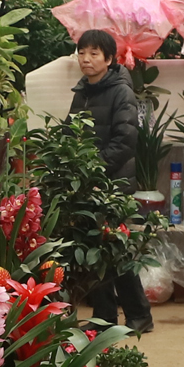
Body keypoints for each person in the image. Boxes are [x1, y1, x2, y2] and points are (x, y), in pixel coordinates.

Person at [64, 27, 153, 334]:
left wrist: (94, 171)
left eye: (94, 53)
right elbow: (70, 134)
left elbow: (125, 141)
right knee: (94, 251)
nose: (86, 59)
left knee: (115, 251)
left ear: (109, 59)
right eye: (81, 53)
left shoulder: (121, 91)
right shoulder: (82, 92)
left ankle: (139, 315)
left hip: (113, 185)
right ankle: (104, 317)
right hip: (87, 184)